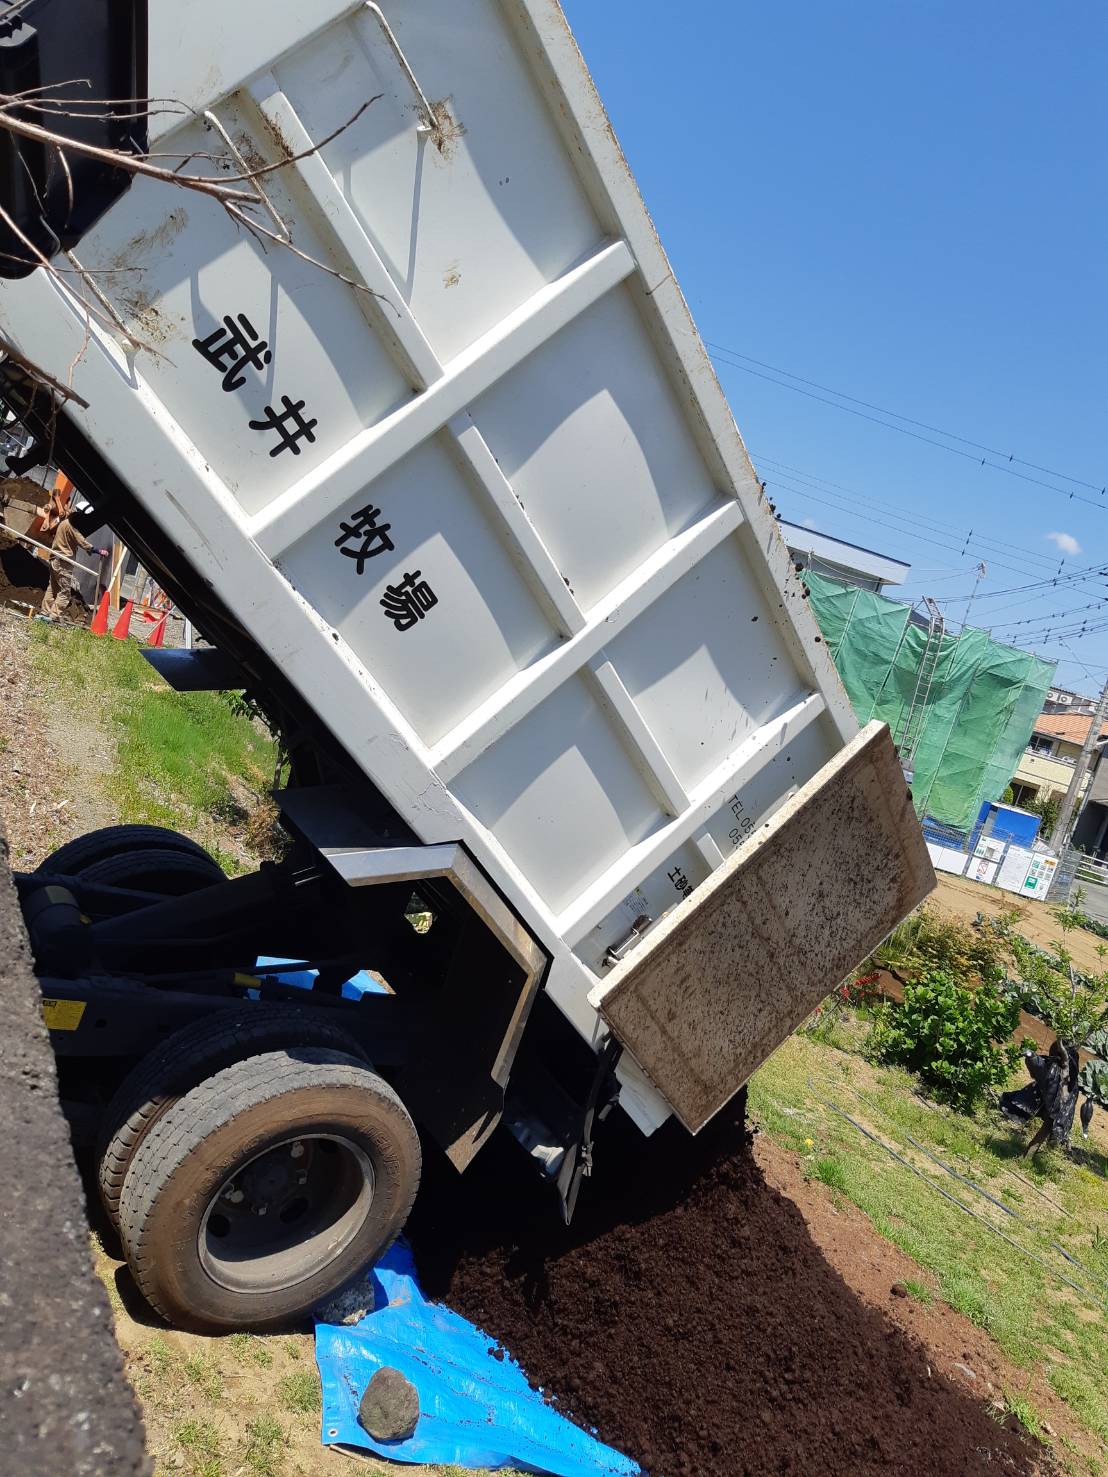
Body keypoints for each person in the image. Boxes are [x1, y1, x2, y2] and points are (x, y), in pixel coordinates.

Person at [1015, 1040, 1080, 1158]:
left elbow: (1039, 1068)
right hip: (1054, 1109)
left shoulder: (1056, 1071)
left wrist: (1031, 1056)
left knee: (1048, 1126)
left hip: (1054, 1109)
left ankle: (1027, 1156)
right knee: (1047, 1127)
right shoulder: (1068, 1077)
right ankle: (1028, 1155)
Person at [40, 513, 108, 620]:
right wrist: (97, 551)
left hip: (54, 559)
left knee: (53, 587)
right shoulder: (71, 528)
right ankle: (54, 615)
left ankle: (44, 612)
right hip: (64, 562)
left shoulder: (63, 523)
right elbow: (82, 542)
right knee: (65, 592)